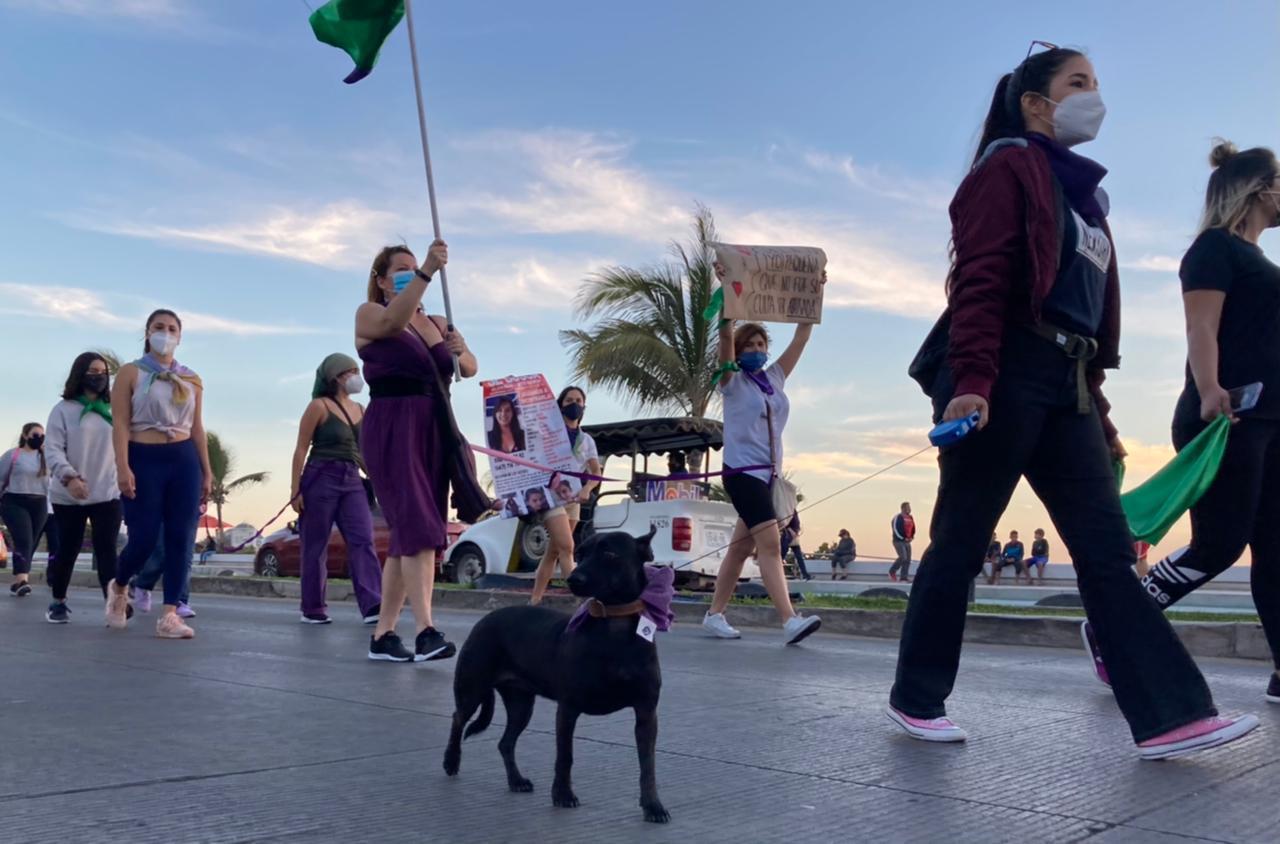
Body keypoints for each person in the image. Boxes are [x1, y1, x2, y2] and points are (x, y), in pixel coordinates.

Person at [888, 45, 1257, 756]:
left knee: (1107, 551)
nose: (1095, 97)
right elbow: (981, 281)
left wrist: (1103, 413)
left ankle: (1171, 716)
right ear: (1036, 103)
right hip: (1002, 371)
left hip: (1069, 383)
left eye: (1096, 83)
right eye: (1077, 83)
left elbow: (1084, 314)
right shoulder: (1006, 168)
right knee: (962, 542)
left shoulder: (1088, 199)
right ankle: (916, 697)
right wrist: (970, 383)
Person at [1082, 141, 1280, 704]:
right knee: (1218, 545)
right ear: (1259, 188)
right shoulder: (1212, 250)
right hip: (1227, 416)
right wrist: (1211, 389)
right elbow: (1201, 327)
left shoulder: (1262, 260)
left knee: (1276, 551)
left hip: (1272, 419)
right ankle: (1114, 624)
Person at [358, 241, 477, 663]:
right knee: (420, 528)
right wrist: (427, 269)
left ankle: (383, 635)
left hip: (434, 426)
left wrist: (460, 348)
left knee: (408, 536)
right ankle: (426, 629)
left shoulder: (436, 320)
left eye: (414, 267)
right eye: (402, 269)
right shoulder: (369, 313)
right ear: (382, 279)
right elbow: (392, 321)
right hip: (392, 425)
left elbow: (469, 368)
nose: (410, 273)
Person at [702, 318, 821, 645]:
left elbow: (802, 337)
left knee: (740, 550)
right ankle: (789, 620)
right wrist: (727, 314)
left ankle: (714, 615)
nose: (757, 350)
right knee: (769, 545)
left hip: (769, 476)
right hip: (742, 473)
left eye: (761, 345)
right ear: (739, 352)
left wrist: (812, 295)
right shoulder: (731, 381)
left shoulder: (774, 378)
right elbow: (725, 334)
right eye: (749, 345)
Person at [107, 309, 211, 640]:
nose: (164, 333)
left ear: (179, 337)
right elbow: (120, 423)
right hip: (143, 456)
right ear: (147, 333)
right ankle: (120, 585)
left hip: (182, 459)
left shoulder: (192, 379)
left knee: (181, 537)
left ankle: (170, 615)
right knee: (145, 537)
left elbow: (197, 428)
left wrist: (206, 470)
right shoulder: (131, 373)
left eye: (171, 329)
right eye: (158, 328)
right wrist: (123, 467)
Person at [288, 352, 383, 625]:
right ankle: (313, 608)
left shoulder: (361, 410)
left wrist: (378, 479)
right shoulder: (319, 406)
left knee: (362, 539)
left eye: (356, 370)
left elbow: (363, 451)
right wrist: (296, 491)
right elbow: (300, 450)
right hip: (320, 476)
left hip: (352, 479)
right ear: (335, 377)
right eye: (350, 371)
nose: (356, 376)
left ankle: (373, 604)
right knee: (315, 545)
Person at [43, 354, 122, 623]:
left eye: (102, 372)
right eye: (92, 371)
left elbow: (126, 447)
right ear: (80, 374)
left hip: (107, 492)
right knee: (69, 548)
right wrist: (69, 477)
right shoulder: (63, 410)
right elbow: (52, 449)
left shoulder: (114, 411)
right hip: (69, 494)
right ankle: (58, 601)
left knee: (106, 549)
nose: (98, 376)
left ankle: (113, 603)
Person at [530, 386, 600, 605]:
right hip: (550, 497)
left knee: (554, 551)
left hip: (573, 500)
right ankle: (583, 602)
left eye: (579, 400)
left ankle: (534, 601)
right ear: (560, 405)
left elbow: (596, 473)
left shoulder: (586, 440)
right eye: (569, 400)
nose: (574, 404)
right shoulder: (547, 434)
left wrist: (588, 489)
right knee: (567, 547)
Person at [2, 423, 49, 598]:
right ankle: (23, 580)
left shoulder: (46, 457)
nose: (39, 439)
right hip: (14, 501)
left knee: (32, 543)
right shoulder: (13, 455)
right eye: (36, 435)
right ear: (25, 435)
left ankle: (17, 581)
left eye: (42, 435)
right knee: (24, 540)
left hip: (39, 503)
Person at [130, 516, 196, 617]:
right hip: (162, 507)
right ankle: (142, 584)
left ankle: (180, 601)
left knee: (185, 555)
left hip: (189, 506)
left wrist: (202, 501)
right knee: (161, 553)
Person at [888, 502, 915, 582]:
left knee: (908, 559)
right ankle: (892, 571)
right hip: (898, 541)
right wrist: (903, 538)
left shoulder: (910, 517)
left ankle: (904, 577)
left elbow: (913, 528)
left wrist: (911, 537)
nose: (910, 509)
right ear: (903, 508)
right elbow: (895, 529)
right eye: (908, 507)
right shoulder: (898, 517)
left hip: (907, 541)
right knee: (903, 557)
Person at [781, 513, 811, 581]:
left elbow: (796, 525)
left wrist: (796, 532)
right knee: (781, 556)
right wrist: (792, 531)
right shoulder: (790, 511)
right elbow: (785, 523)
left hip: (793, 536)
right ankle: (805, 575)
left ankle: (805, 575)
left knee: (799, 557)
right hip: (788, 535)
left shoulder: (793, 512)